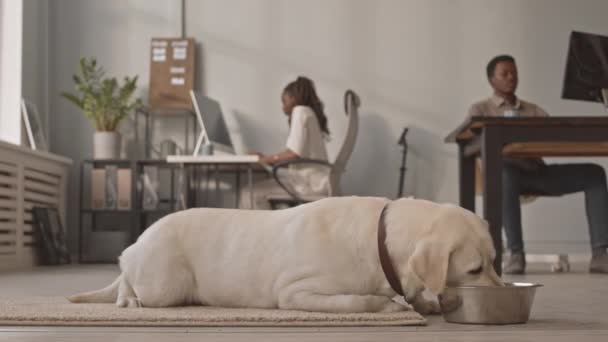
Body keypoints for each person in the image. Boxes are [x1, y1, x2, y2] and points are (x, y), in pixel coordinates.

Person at [468, 55, 608, 274]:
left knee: (595, 173)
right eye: (504, 73)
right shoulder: (480, 110)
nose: (511, 77)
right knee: (504, 172)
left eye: (514, 72)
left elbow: (552, 141)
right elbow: (474, 145)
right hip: (505, 176)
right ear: (491, 80)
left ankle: (600, 253)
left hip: (537, 172)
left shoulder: (534, 110)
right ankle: (516, 253)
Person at [244, 76, 330, 210]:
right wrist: (266, 158)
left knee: (249, 192)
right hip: (315, 182)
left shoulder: (300, 110)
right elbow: (298, 157)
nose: (282, 106)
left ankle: (261, 231)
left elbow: (294, 154)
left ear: (293, 98)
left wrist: (264, 159)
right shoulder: (308, 113)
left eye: (284, 101)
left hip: (309, 185)